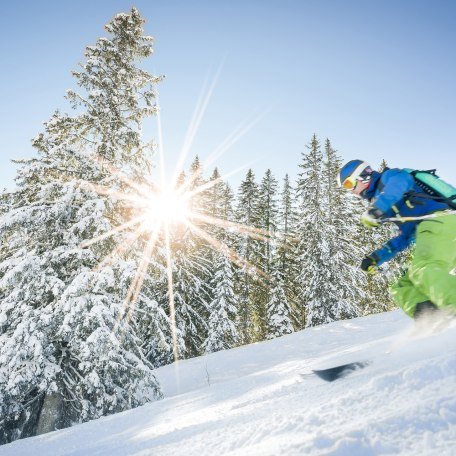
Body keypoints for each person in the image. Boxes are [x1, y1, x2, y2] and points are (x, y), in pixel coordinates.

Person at [338, 159, 456, 319]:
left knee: (423, 268)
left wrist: (377, 210)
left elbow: (402, 182)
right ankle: (432, 320)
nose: (350, 191)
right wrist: (376, 257)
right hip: (429, 231)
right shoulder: (385, 198)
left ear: (362, 176)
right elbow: (404, 237)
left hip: (441, 221)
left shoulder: (389, 178)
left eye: (349, 184)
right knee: (402, 285)